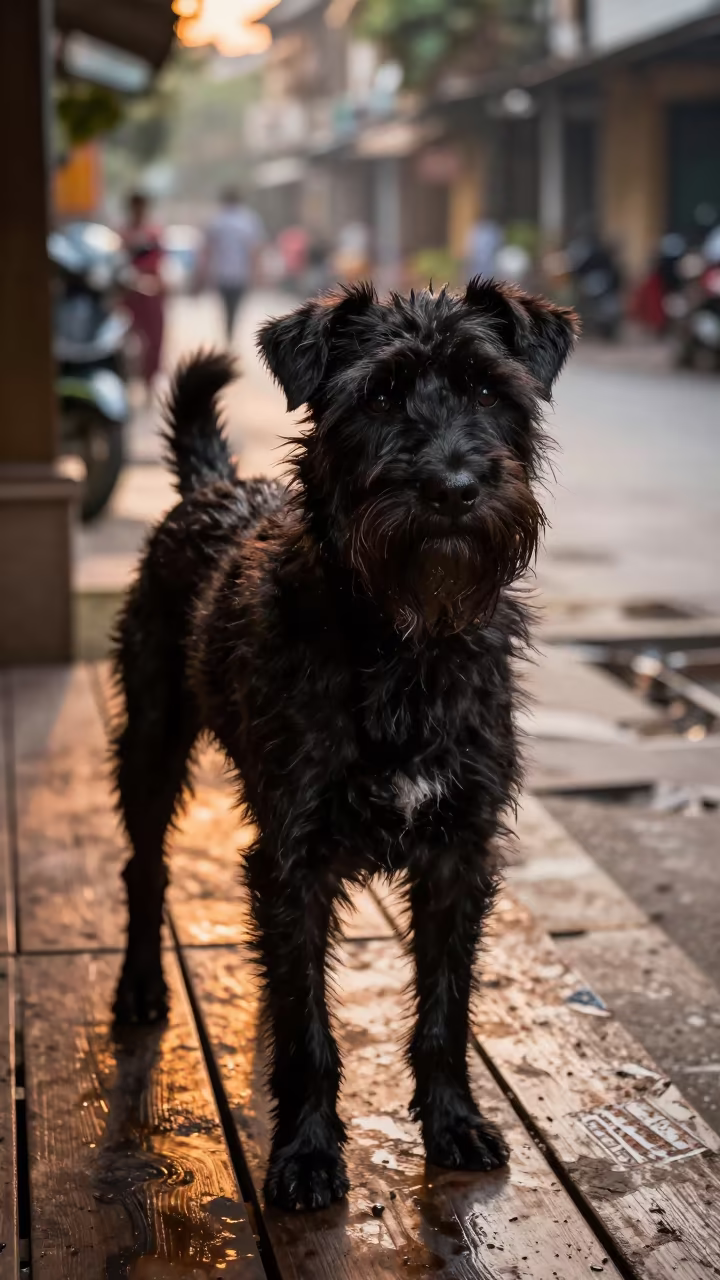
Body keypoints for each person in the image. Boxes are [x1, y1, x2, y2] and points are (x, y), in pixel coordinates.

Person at [202, 187, 265, 342]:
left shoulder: (218, 220)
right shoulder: (248, 219)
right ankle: (230, 333)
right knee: (234, 308)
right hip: (240, 274)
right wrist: (257, 272)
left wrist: (204, 272)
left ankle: (228, 333)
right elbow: (254, 250)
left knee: (226, 308)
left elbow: (208, 249)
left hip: (222, 273)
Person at [121, 191, 165, 396]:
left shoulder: (153, 234)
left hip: (151, 294)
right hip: (128, 294)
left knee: (154, 341)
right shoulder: (122, 235)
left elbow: (160, 264)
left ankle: (150, 384)